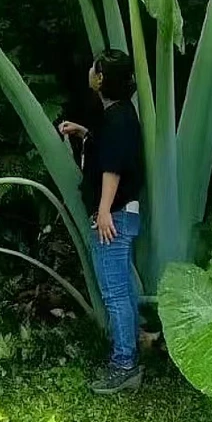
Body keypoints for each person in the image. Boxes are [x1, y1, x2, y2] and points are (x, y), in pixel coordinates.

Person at [58, 49, 145, 395]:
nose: (90, 72)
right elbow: (110, 151)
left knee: (115, 293)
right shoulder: (120, 114)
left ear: (101, 79)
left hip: (114, 216)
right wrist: (84, 132)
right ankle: (131, 352)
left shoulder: (116, 119)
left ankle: (124, 365)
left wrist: (104, 210)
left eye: (95, 68)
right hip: (123, 213)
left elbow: (113, 167)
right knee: (123, 290)